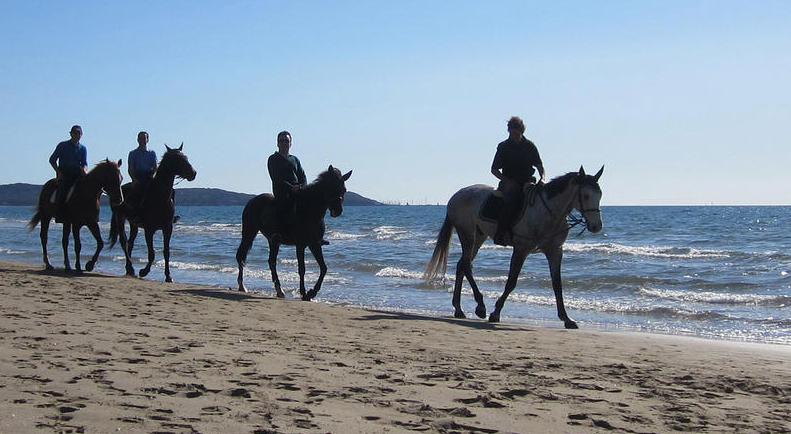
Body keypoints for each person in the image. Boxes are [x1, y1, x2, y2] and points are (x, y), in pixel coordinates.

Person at [490, 116, 545, 246]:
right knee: (511, 202)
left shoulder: (530, 146)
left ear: (522, 132)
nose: (515, 136)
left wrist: (542, 178)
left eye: (517, 133)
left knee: (542, 200)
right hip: (509, 182)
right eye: (513, 133)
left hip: (528, 181)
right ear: (509, 131)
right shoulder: (503, 147)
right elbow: (494, 169)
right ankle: (501, 233)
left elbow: (539, 166)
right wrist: (507, 180)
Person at [267, 131, 307, 242]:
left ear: (290, 143)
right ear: (277, 143)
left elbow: (302, 175)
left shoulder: (295, 159)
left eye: (287, 141)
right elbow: (277, 178)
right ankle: (277, 233)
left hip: (298, 190)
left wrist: (303, 186)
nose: (284, 143)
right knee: (285, 206)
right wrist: (291, 188)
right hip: (282, 191)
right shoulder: (273, 159)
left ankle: (315, 235)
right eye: (281, 141)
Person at [49, 125, 88, 222]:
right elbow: (52, 160)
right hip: (64, 174)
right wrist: (58, 172)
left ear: (81, 135)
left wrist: (84, 169)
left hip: (77, 174)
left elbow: (84, 162)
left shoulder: (83, 148)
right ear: (71, 134)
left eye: (79, 133)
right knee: (62, 191)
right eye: (75, 133)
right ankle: (59, 214)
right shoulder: (63, 145)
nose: (77, 135)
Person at [127, 131, 158, 211]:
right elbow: (131, 168)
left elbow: (155, 167)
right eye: (141, 138)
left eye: (144, 138)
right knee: (137, 193)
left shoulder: (152, 153)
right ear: (138, 140)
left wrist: (154, 177)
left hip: (149, 176)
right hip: (139, 177)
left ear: (147, 140)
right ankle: (135, 214)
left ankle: (168, 214)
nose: (143, 140)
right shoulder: (133, 153)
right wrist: (134, 179)